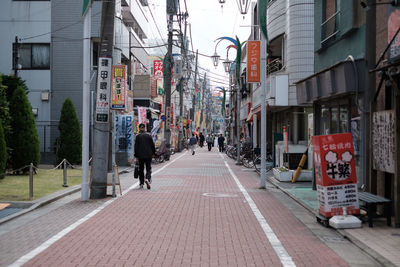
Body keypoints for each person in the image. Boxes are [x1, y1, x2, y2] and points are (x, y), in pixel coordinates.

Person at [134, 123, 155, 189]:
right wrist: (153, 153)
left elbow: (136, 147)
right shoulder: (149, 136)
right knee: (148, 168)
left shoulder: (138, 136)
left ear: (139, 128)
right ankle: (147, 178)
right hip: (148, 155)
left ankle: (141, 183)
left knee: (141, 169)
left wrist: (136, 156)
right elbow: (152, 145)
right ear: (144, 128)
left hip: (140, 156)